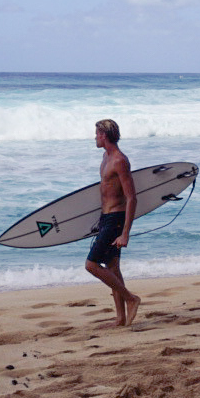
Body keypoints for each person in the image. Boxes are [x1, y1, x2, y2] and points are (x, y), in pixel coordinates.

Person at [84, 118, 140, 327]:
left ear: (104, 135)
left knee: (91, 265)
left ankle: (131, 298)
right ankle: (120, 318)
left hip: (115, 219)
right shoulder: (105, 157)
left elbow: (132, 198)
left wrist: (125, 233)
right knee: (113, 267)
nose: (95, 137)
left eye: (97, 134)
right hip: (105, 218)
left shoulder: (119, 161)